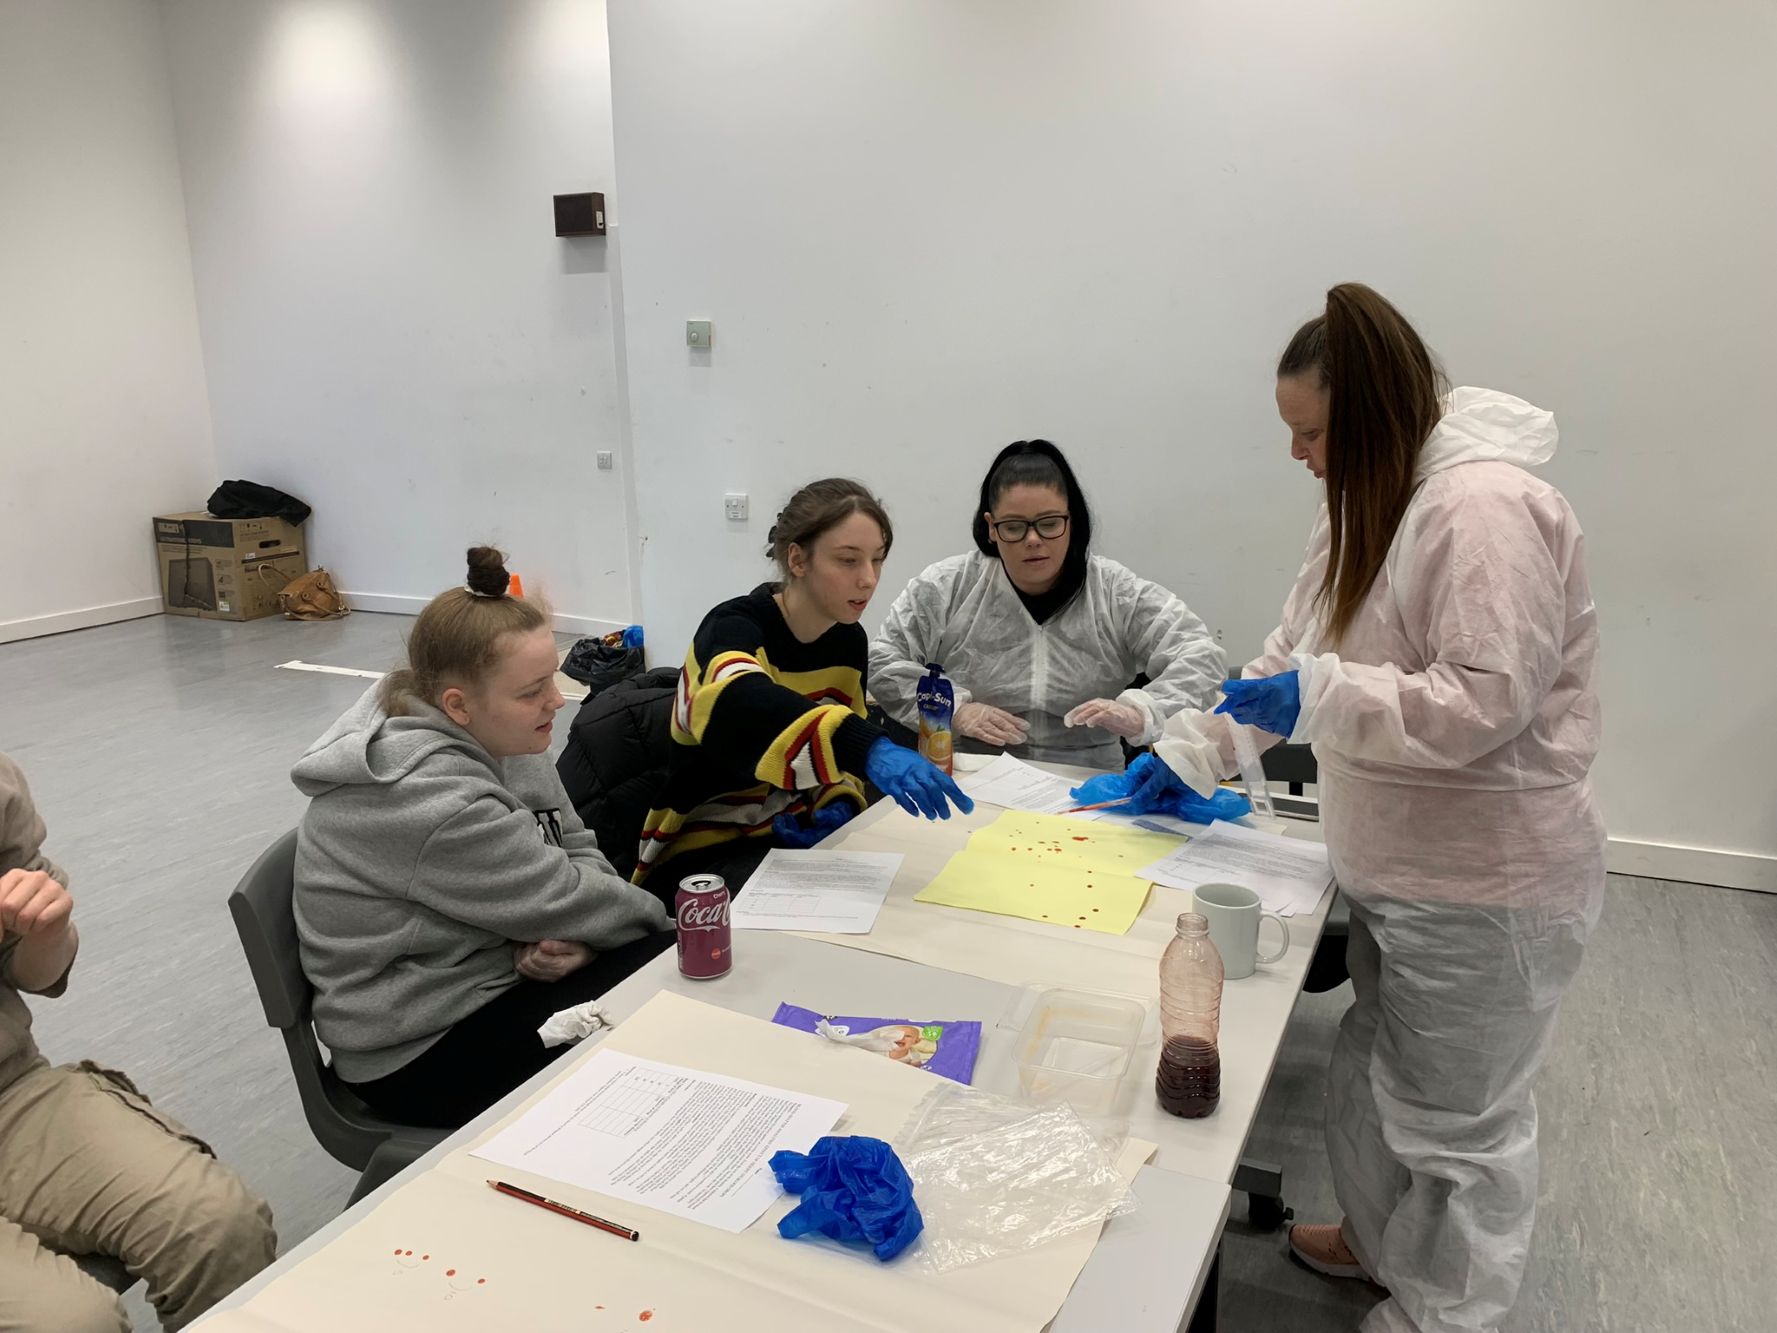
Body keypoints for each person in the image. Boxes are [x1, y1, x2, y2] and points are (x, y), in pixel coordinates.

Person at [1144, 284, 1604, 1333]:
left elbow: (1485, 702)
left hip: (1487, 880)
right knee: (1374, 1068)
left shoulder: (1478, 509)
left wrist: (1318, 697)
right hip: (1397, 867)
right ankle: (1379, 1240)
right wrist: (1197, 745)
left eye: (1309, 432)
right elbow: (1291, 657)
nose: (1298, 454)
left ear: (1370, 413)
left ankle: (1445, 1313)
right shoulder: (1369, 498)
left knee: (1460, 1123)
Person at [293, 548, 674, 1129]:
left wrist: (588, 937)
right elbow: (567, 896)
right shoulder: (426, 800)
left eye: (553, 678)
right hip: (420, 1050)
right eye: (532, 690)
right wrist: (636, 925)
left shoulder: (504, 736)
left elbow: (577, 852)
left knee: (666, 971)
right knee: (678, 969)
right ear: (457, 705)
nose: (556, 700)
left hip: (490, 979)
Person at [0, 752, 276, 1332]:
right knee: (70, 1322)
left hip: (10, 1093)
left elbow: (36, 974)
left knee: (218, 1227)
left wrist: (46, 928)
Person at [635, 478, 972, 893]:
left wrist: (840, 806)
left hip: (794, 840)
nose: (868, 579)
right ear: (797, 559)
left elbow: (836, 767)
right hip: (703, 854)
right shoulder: (732, 628)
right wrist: (867, 746)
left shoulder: (847, 639)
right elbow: (738, 705)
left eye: (878, 560)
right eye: (848, 561)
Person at [869, 439, 1224, 769]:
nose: (1033, 540)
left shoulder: (1116, 592)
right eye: (1014, 527)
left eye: (1050, 523)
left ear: (1072, 520)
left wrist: (1142, 713)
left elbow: (1201, 656)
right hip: (974, 772)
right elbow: (882, 659)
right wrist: (957, 711)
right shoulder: (948, 586)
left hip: (1088, 779)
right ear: (991, 527)